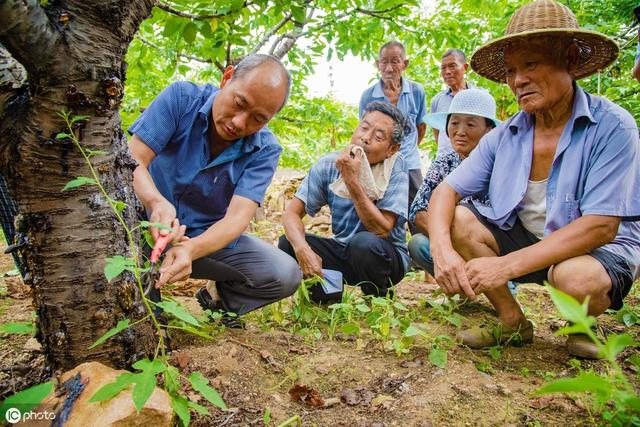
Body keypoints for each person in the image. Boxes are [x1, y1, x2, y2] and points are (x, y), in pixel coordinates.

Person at [428, 0, 637, 359]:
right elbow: (445, 191)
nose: (517, 81)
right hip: (528, 238)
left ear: (570, 58)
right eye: (510, 71)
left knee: (574, 279)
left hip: (593, 252)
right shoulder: (505, 135)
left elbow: (601, 226)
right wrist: (441, 250)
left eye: (530, 64)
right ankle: (511, 321)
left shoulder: (613, 126)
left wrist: (505, 266)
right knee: (459, 219)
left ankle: (581, 324)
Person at [128, 54, 302, 323]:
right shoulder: (181, 99)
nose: (239, 123)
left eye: (258, 118)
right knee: (145, 319)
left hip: (201, 241)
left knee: (284, 273)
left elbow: (237, 219)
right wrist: (155, 202)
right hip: (138, 226)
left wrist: (190, 249)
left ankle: (219, 297)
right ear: (227, 78)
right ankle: (145, 291)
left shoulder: (265, 150)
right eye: (239, 103)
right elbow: (133, 160)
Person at [279, 101, 409, 303]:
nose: (365, 138)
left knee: (364, 242)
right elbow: (291, 214)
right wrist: (302, 249)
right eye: (364, 128)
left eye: (378, 136)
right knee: (288, 241)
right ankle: (328, 296)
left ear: (392, 149)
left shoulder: (395, 167)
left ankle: (379, 297)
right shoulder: (328, 165)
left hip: (385, 257)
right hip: (345, 250)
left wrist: (351, 180)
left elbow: (381, 229)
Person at [408, 89, 499, 276]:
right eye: (455, 123)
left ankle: (503, 283)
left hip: (489, 247)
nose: (460, 132)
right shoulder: (445, 162)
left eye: (471, 124)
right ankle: (460, 286)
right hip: (450, 244)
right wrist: (448, 247)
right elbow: (418, 210)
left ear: (488, 129)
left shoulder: (500, 165)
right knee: (418, 244)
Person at [359, 41, 426, 233]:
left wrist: (406, 151)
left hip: (410, 162)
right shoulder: (368, 95)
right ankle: (387, 254)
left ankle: (419, 254)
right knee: (381, 209)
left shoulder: (416, 91)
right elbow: (364, 130)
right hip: (379, 162)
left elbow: (420, 127)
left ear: (405, 64)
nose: (389, 68)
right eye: (384, 62)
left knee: (418, 211)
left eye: (395, 61)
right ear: (377, 64)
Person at [429, 49, 475, 156]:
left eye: (452, 66)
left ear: (465, 67)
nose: (447, 72)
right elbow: (437, 132)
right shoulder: (437, 100)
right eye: (443, 68)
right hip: (444, 161)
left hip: (471, 158)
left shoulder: (478, 96)